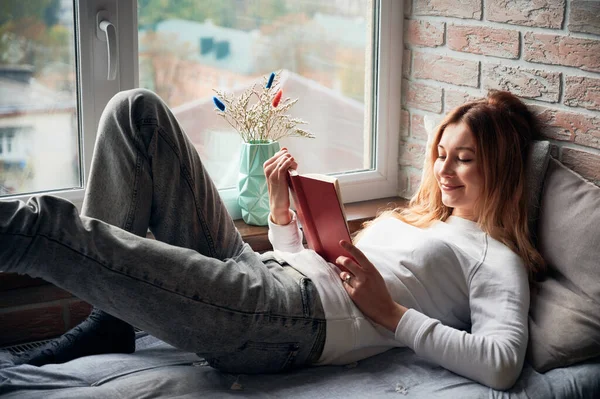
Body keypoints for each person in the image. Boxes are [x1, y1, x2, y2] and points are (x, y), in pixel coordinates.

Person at [0, 88, 544, 390]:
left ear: (500, 167)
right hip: (268, 276)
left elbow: (500, 363)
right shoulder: (424, 218)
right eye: (441, 155)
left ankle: (106, 319)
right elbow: (313, 265)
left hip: (288, 322)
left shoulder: (495, 259)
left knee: (46, 224)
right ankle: (111, 320)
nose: (445, 170)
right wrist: (283, 216)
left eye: (465, 159)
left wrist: (393, 314)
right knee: (135, 112)